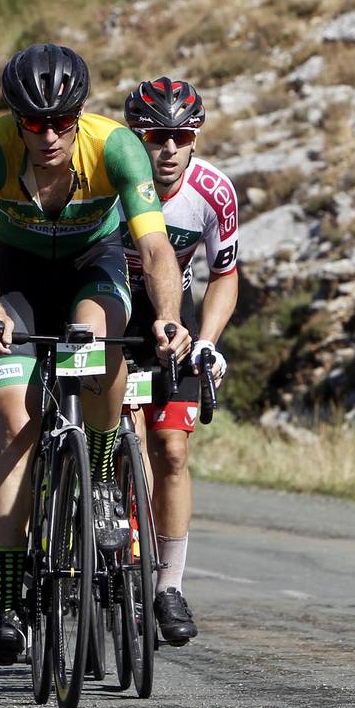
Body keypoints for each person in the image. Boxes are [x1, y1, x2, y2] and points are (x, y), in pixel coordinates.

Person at [0, 44, 190, 664]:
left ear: (80, 115)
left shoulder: (116, 146)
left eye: (63, 121)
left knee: (96, 347)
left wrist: (167, 315)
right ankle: (8, 603)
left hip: (92, 265)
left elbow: (157, 248)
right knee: (13, 416)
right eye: (35, 123)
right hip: (17, 276)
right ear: (16, 118)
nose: (51, 134)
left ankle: (107, 474)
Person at [119, 77, 239, 646]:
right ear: (135, 136)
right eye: (154, 135)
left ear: (194, 138)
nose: (167, 149)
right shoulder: (109, 181)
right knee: (130, 444)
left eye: (180, 136)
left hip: (175, 318)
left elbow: (224, 274)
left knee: (171, 448)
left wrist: (210, 338)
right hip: (111, 311)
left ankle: (168, 586)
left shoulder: (213, 190)